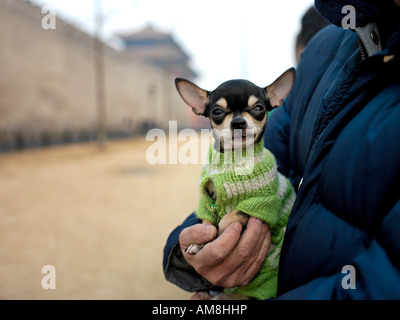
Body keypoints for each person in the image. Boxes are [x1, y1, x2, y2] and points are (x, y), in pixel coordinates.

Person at [163, 0, 400, 299]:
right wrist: (187, 248)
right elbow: (263, 162)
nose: (239, 123)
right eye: (221, 114)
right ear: (200, 107)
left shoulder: (319, 51)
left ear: (273, 100)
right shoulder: (322, 49)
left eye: (256, 110)